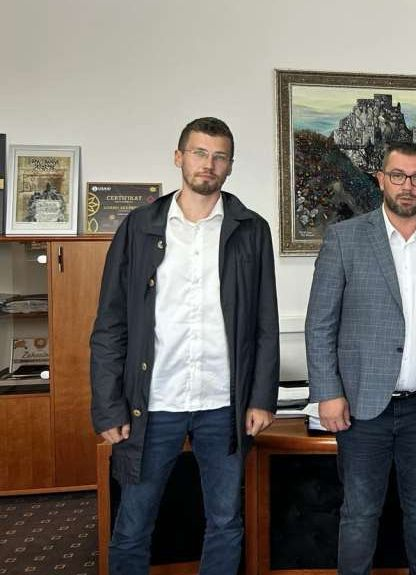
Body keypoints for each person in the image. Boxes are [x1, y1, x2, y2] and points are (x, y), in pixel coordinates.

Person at [90, 117, 280, 575]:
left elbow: (265, 322)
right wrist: (108, 406)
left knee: (225, 521)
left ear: (229, 166)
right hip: (154, 402)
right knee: (134, 523)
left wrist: (261, 397)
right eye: (199, 153)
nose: (208, 164)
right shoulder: (139, 227)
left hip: (223, 404)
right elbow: (111, 324)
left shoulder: (251, 229)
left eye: (219, 156)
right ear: (179, 157)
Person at [305, 141, 416, 575]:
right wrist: (327, 393)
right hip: (361, 406)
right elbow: (320, 324)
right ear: (381, 179)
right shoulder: (345, 239)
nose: (408, 186)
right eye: (398, 176)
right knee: (359, 513)